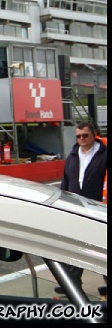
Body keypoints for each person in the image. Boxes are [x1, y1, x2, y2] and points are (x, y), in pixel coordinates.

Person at [56, 121, 108, 294]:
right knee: (76, 246)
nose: (81, 139)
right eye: (78, 136)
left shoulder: (104, 154)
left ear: (94, 134)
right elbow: (66, 181)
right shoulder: (72, 155)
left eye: (85, 135)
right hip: (76, 208)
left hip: (99, 209)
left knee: (102, 248)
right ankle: (72, 284)